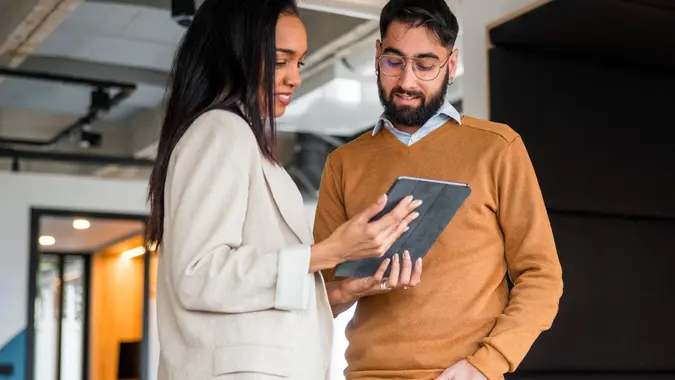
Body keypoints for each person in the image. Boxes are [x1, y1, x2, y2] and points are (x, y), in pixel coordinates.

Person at [144, 0, 422, 379]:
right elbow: (198, 275)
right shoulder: (221, 131)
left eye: (299, 63)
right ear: (232, 56)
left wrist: (340, 293)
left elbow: (245, 295)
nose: (295, 78)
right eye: (279, 61)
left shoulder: (241, 139)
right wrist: (331, 251)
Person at [314, 0, 564, 379]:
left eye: (426, 65)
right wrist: (353, 288)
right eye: (394, 62)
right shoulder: (343, 164)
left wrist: (485, 366)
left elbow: (542, 276)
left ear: (451, 63)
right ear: (378, 54)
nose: (407, 81)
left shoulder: (498, 147)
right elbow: (318, 297)